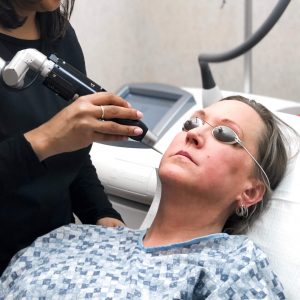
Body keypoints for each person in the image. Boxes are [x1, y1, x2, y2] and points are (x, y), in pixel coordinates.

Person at [0, 96, 292, 299]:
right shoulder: (69, 239)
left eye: (225, 133)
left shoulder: (233, 268)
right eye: (192, 122)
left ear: (250, 192)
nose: (194, 134)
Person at [0, 0, 146, 275]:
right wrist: (45, 140)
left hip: (51, 259)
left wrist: (100, 213)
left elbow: (72, 150)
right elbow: (57, 139)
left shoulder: (59, 34)